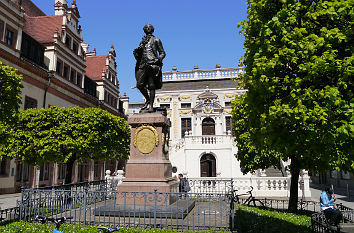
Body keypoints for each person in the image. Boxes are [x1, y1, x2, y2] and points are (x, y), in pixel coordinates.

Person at [133, 23, 166, 113]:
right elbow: (139, 54)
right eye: (146, 28)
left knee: (151, 86)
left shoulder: (156, 40)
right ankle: (147, 99)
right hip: (142, 64)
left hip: (152, 65)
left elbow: (162, 53)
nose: (147, 28)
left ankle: (151, 105)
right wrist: (137, 51)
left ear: (152, 29)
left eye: (149, 27)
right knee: (139, 85)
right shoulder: (142, 41)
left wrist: (157, 59)